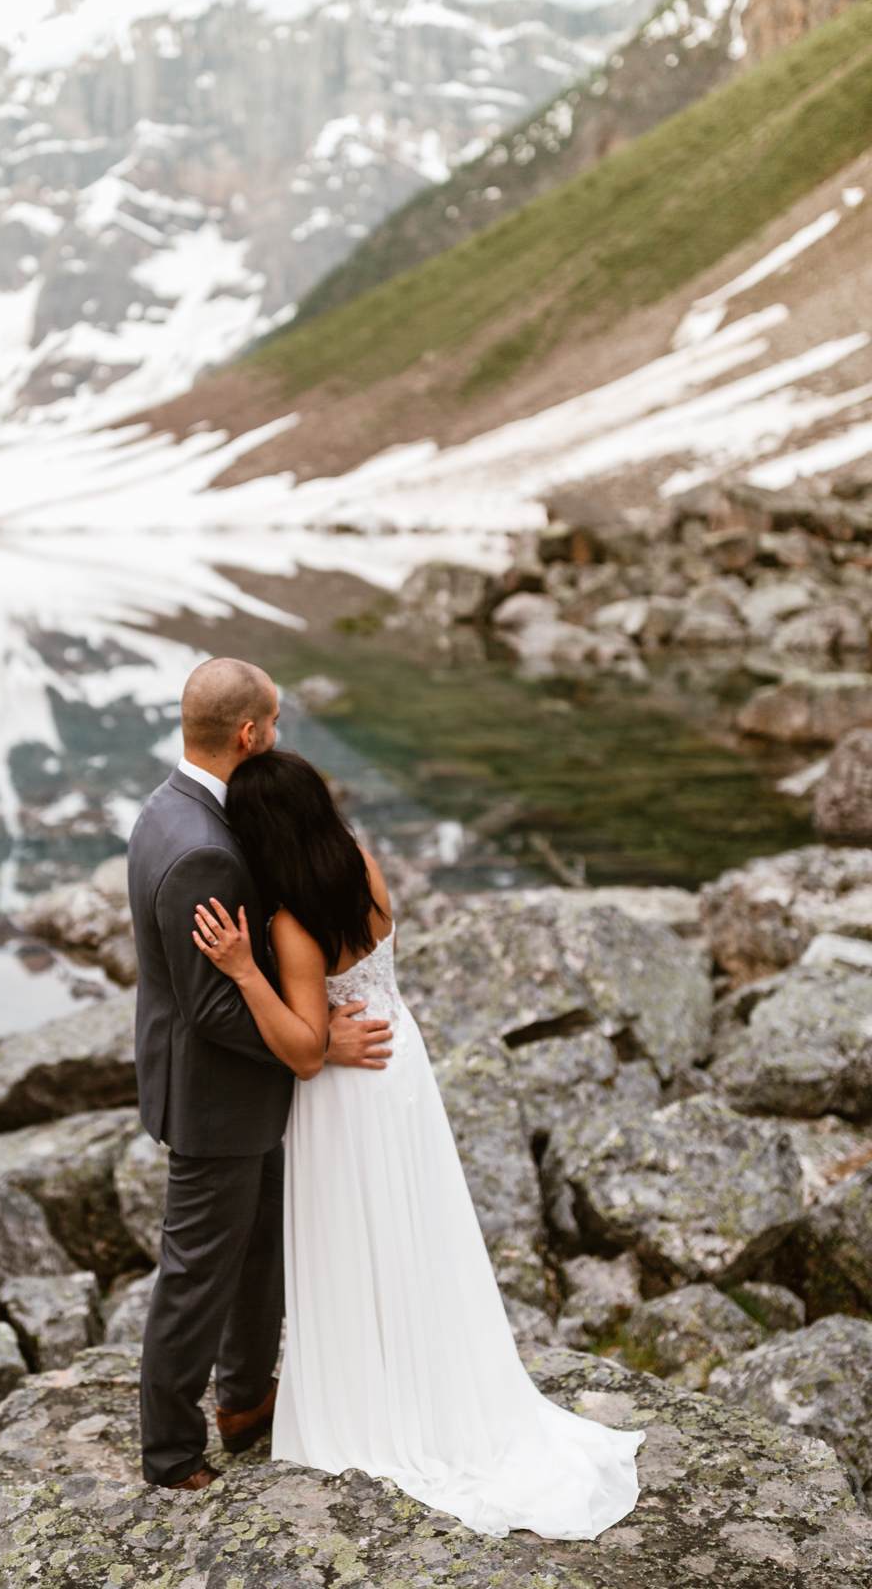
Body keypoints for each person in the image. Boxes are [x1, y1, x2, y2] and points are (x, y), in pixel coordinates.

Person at [190, 744, 642, 1538]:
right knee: (410, 1230)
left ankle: (373, 1399)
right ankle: (424, 1374)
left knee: (351, 1242)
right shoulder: (361, 865)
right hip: (399, 1061)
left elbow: (300, 1049)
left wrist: (242, 969)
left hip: (343, 1094)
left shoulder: (292, 928)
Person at [125, 657, 393, 1492]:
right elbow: (211, 1007)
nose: (278, 736)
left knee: (259, 1252)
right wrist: (314, 1041)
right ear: (250, 733)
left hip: (233, 1088)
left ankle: (246, 1401)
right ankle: (170, 1451)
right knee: (199, 1273)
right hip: (219, 1098)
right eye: (273, 723)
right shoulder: (205, 851)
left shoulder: (167, 810)